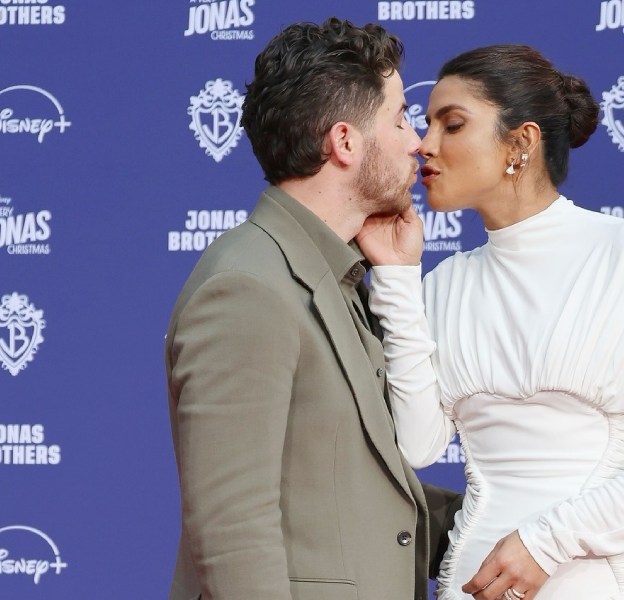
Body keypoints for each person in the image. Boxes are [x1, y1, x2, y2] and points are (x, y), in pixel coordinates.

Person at [356, 45, 624, 599]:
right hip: (473, 582)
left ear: (522, 142)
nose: (424, 145)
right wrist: (396, 280)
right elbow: (416, 446)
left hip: (607, 582)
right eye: (423, 123)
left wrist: (547, 541)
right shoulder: (443, 284)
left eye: (451, 124)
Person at [165, 18, 460, 600]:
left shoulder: (334, 274)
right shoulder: (248, 287)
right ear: (344, 141)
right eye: (400, 117)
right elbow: (233, 531)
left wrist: (517, 521)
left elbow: (352, 488)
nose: (415, 141)